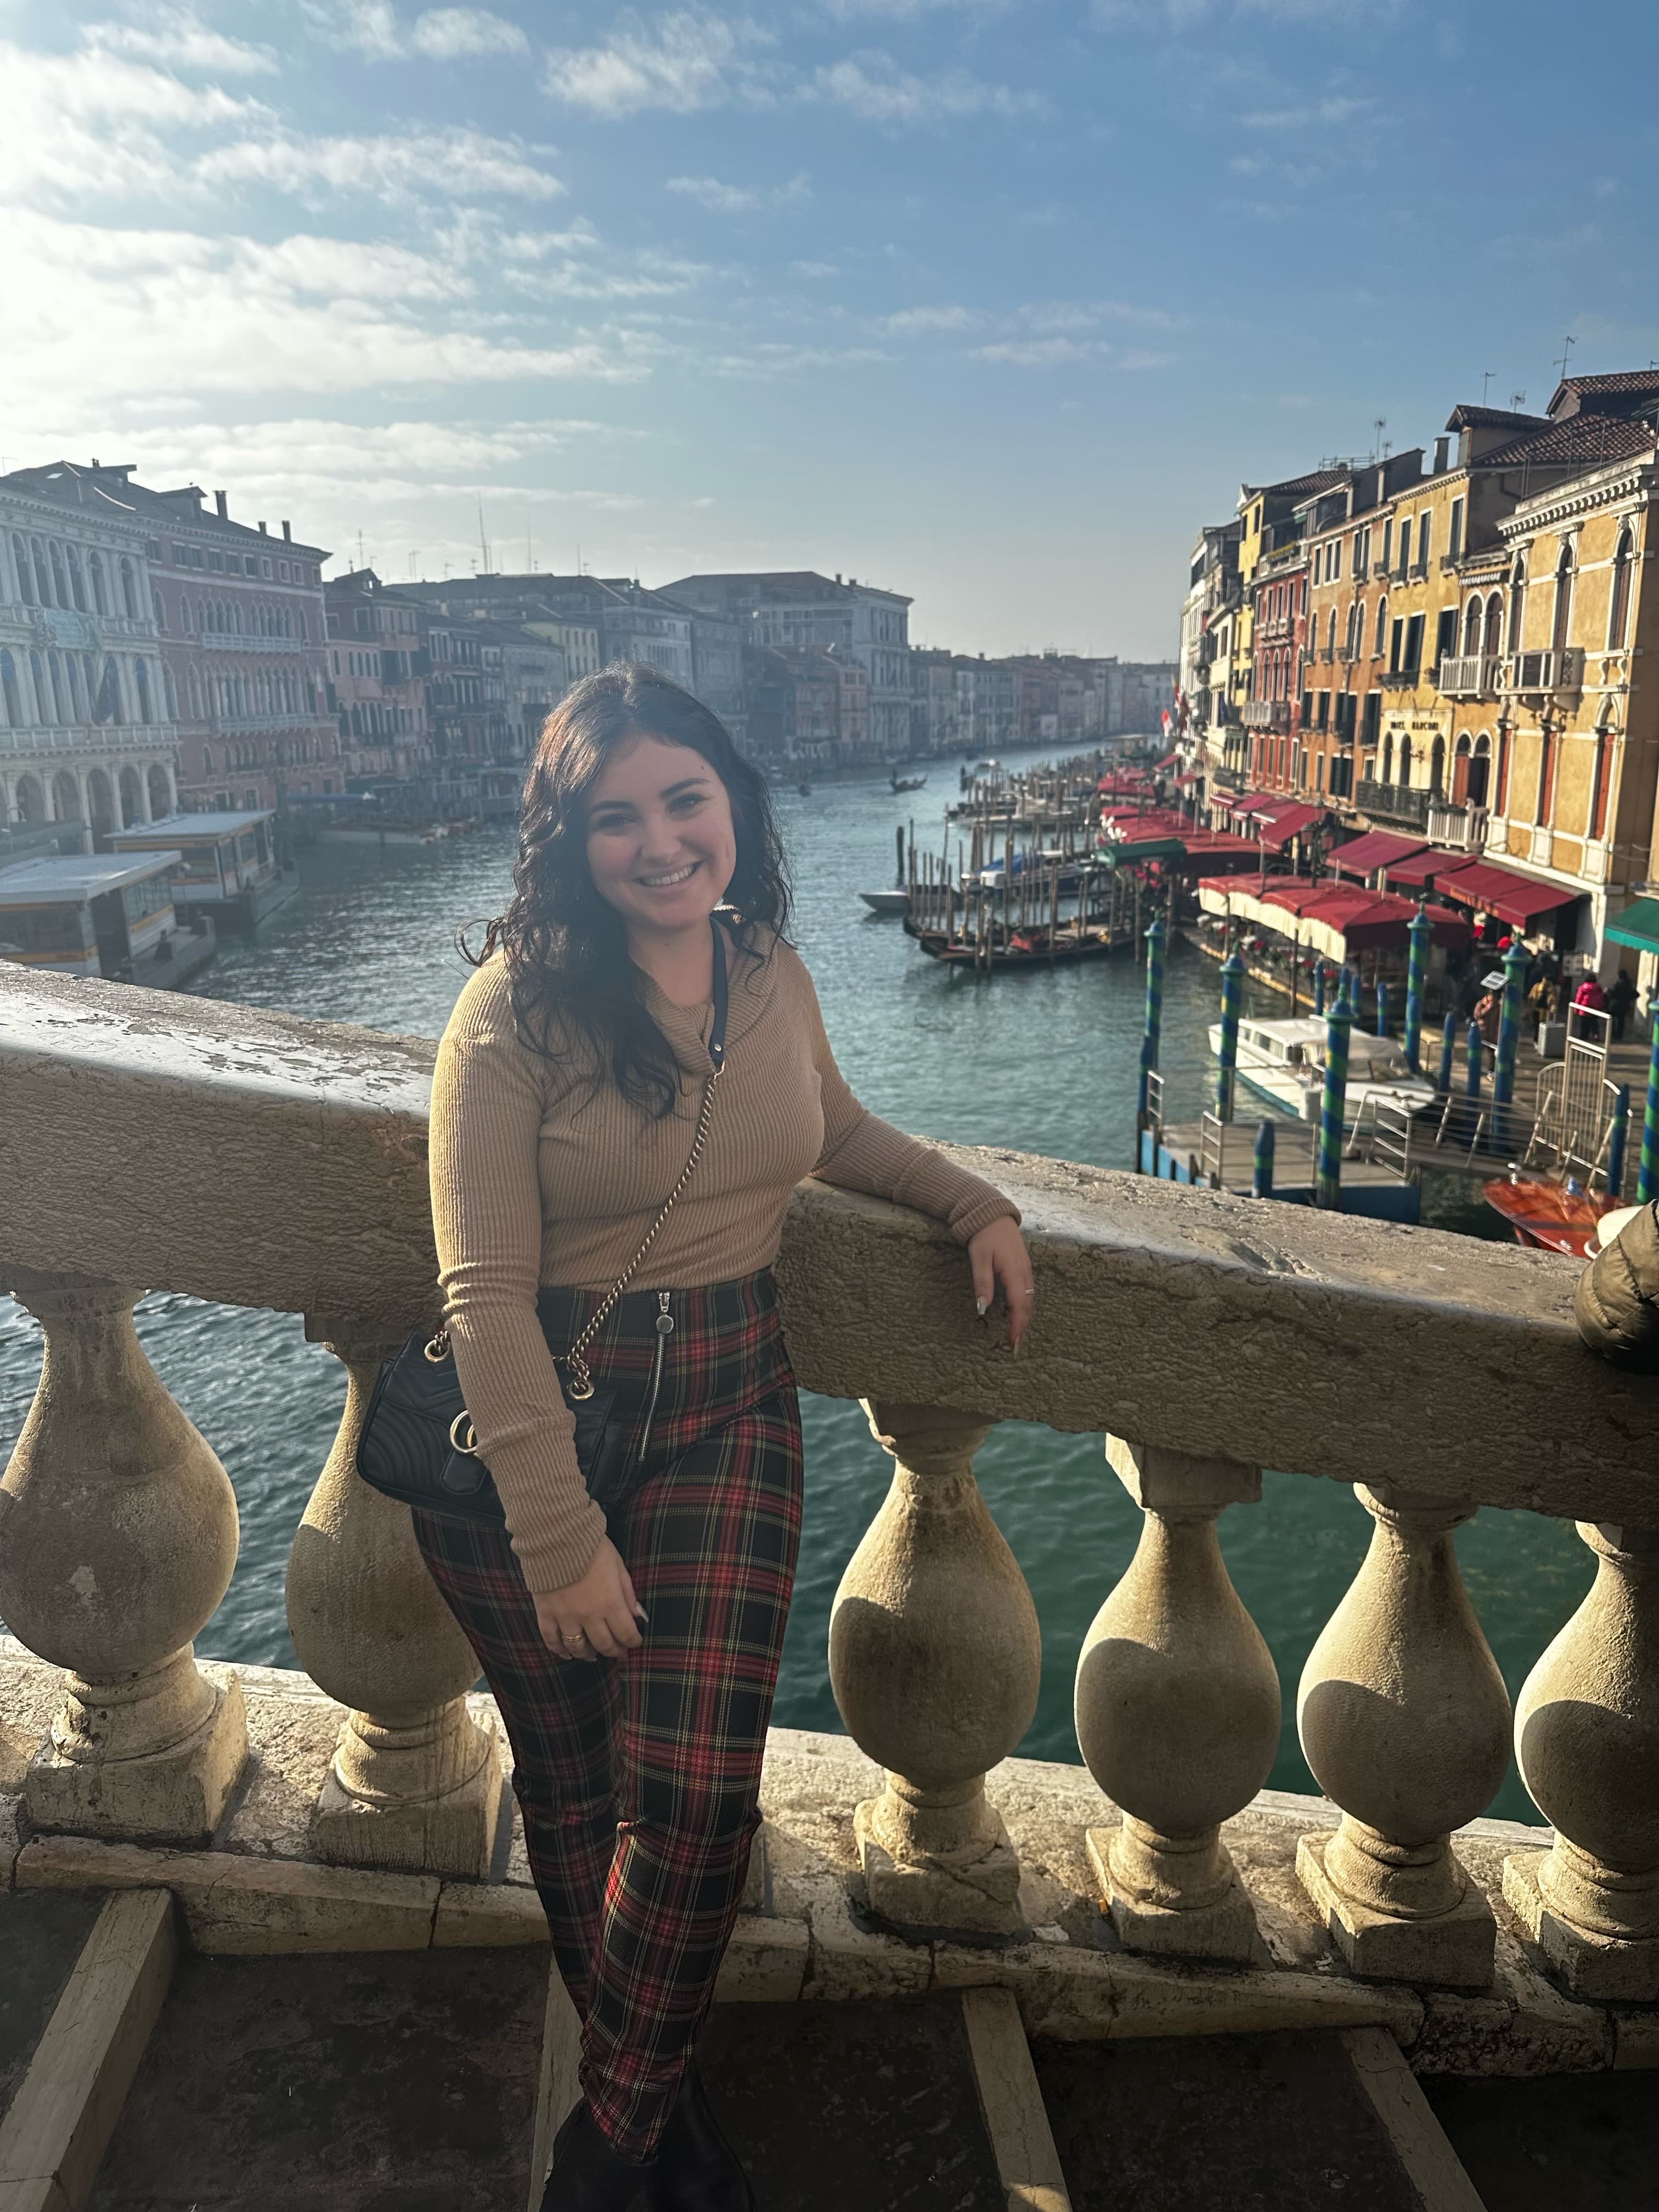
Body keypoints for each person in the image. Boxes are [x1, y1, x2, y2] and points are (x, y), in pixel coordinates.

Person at [422, 666, 1033, 2212]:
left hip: (727, 1403)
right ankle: (660, 2123)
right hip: (540, 1429)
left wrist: (971, 1200)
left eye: (683, 801)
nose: (659, 843)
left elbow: (831, 1129)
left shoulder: (768, 969)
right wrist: (558, 1538)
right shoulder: (512, 1013)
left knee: (694, 1802)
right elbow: (481, 1291)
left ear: (734, 807)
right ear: (570, 843)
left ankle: (604, 2151)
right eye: (614, 818)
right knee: (574, 1796)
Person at [1607, 968, 1638, 1043]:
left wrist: (1608, 991)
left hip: (1615, 1004)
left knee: (1612, 1020)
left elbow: (1613, 993)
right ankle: (1619, 1035)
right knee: (1621, 1021)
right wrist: (1629, 999)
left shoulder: (1618, 983)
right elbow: (1636, 994)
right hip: (1625, 1005)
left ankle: (1612, 1033)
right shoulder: (1629, 984)